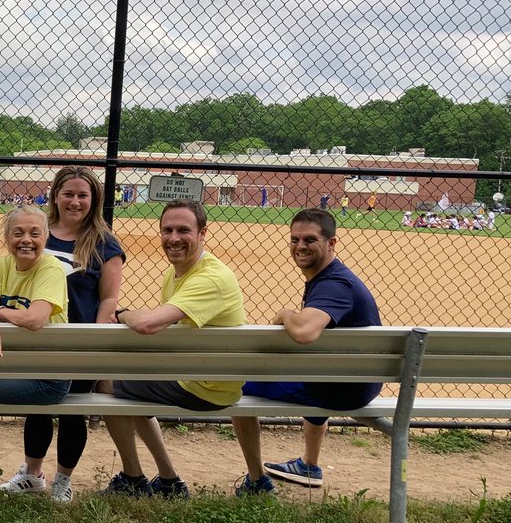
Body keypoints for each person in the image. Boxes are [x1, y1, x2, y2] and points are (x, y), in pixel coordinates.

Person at [97, 200, 251, 498]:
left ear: (203, 232)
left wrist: (122, 313)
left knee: (106, 382)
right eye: (167, 230)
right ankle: (168, 480)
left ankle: (133, 477)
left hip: (205, 386)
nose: (173, 238)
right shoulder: (178, 272)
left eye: (183, 230)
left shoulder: (211, 278)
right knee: (130, 382)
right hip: (198, 374)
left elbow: (148, 325)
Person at [0, 167, 125, 503]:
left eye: (83, 195)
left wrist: (97, 340)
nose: (75, 201)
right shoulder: (39, 232)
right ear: (55, 196)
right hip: (38, 337)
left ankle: (63, 480)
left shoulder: (105, 243)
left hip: (78, 338)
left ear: (94, 200)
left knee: (72, 411)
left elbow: (109, 298)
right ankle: (32, 473)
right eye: (68, 193)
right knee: (38, 407)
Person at [231, 209, 382, 489]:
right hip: (354, 379)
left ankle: (256, 480)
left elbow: (303, 332)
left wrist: (285, 314)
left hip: (344, 389)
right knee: (311, 368)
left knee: (236, 383)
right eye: (295, 239)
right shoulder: (333, 276)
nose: (300, 246)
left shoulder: (335, 284)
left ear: (331, 243)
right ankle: (308, 465)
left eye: (310, 240)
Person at [0, 206, 71, 458]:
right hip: (17, 366)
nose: (26, 240)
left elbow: (35, 319)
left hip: (48, 379)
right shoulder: (4, 264)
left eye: (34, 233)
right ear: (7, 238)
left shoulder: (51, 269)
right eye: (18, 233)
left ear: (46, 237)